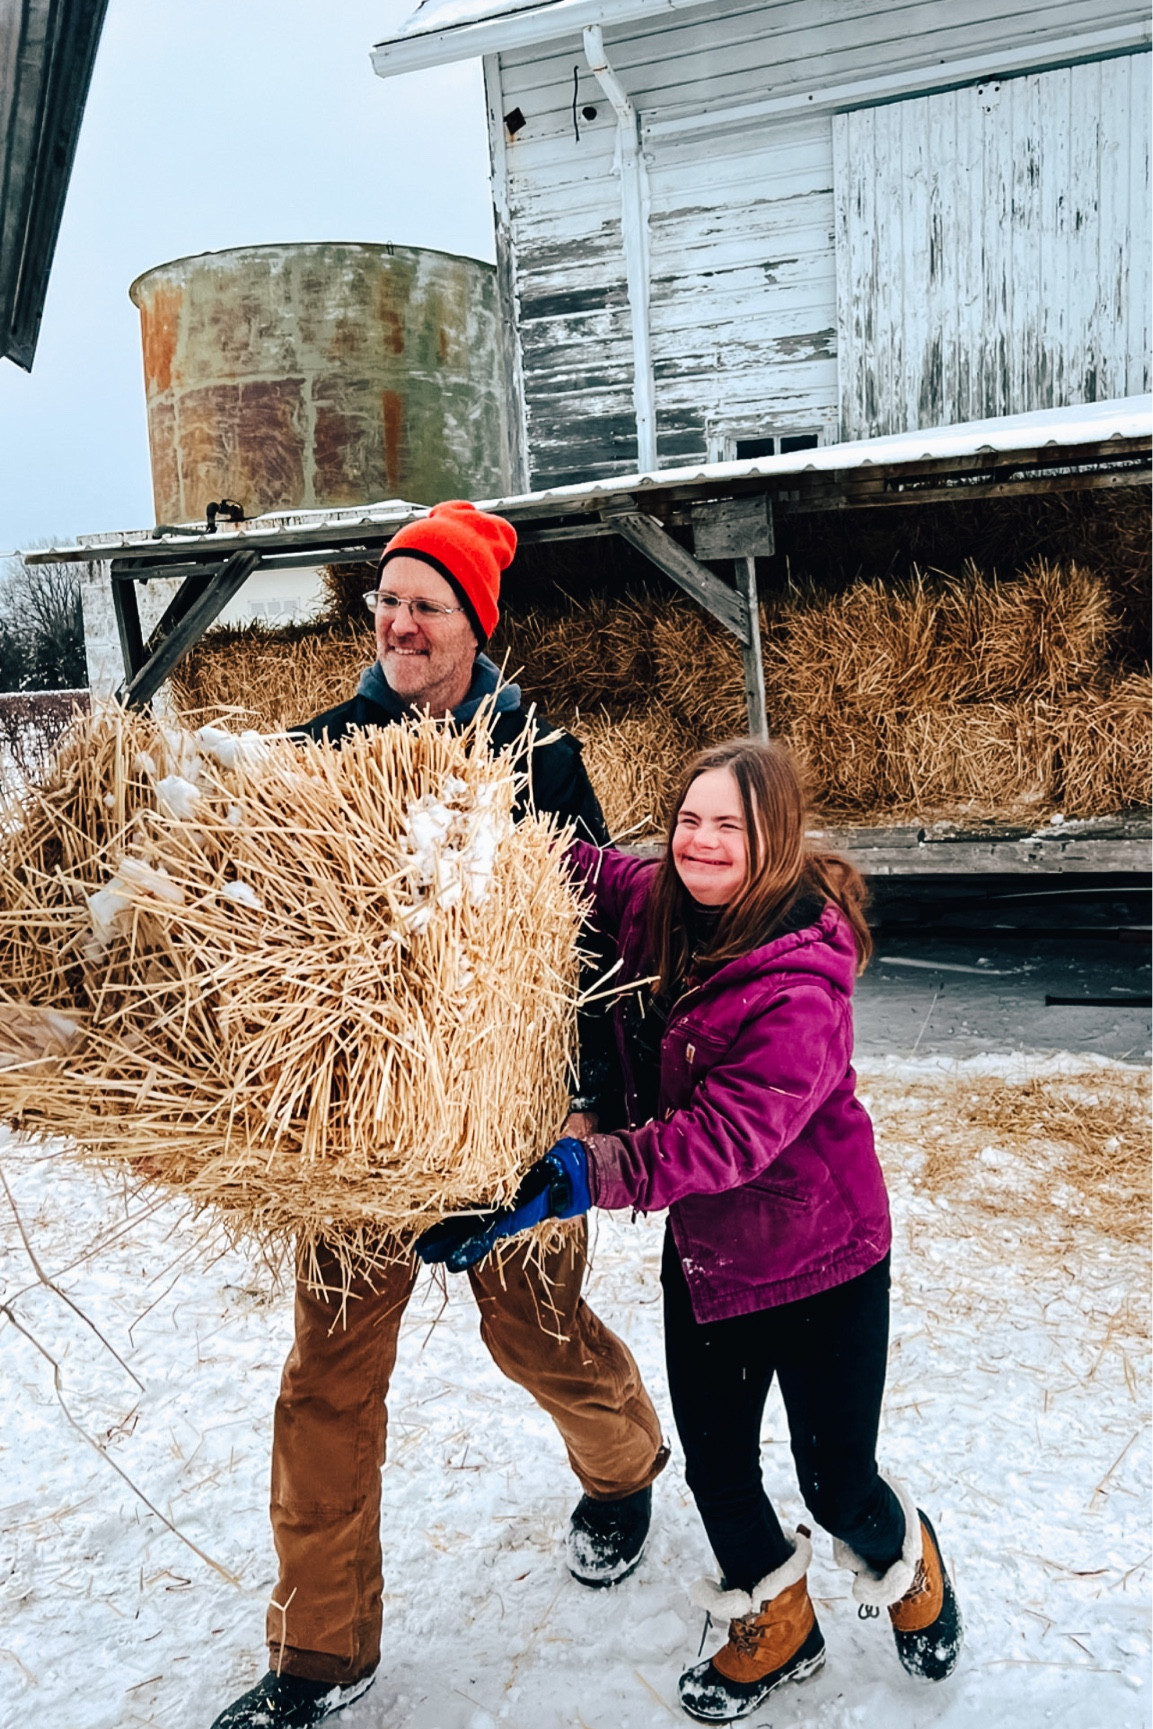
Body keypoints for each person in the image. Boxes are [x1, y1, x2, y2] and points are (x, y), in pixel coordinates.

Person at [211, 501, 667, 1729]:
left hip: (507, 1125)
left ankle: (625, 1472)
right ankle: (320, 1654)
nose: (401, 624)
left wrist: (589, 1112)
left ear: (475, 624)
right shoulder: (324, 750)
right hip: (358, 1139)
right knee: (326, 1380)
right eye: (388, 602)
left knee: (535, 1334)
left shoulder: (542, 759)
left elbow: (591, 949)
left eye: (428, 605)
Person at [418, 735, 963, 1722]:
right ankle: (780, 1625)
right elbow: (581, 865)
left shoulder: (799, 984)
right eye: (689, 820)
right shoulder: (665, 904)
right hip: (714, 1264)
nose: (702, 842)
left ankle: (908, 1566)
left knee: (836, 1483)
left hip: (826, 1261)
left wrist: (576, 1173)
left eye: (732, 827)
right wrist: (470, 823)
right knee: (716, 1468)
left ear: (777, 840)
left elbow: (721, 1139)